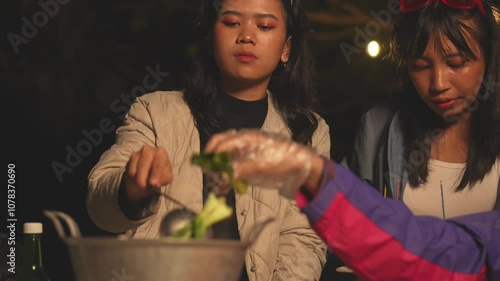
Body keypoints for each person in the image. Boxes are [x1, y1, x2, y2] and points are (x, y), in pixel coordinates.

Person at [86, 0, 330, 280]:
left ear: (286, 48)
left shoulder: (308, 132)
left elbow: (303, 237)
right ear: (211, 35)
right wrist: (131, 187)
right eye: (231, 23)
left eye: (264, 26)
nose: (247, 36)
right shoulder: (155, 112)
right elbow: (99, 206)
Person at [205, 129, 500, 281]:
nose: (439, 82)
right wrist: (312, 172)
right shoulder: (379, 126)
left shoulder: (311, 128)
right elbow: (428, 253)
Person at [345, 0, 500, 218]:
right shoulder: (376, 128)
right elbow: (344, 224)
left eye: (455, 63)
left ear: (490, 56)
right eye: (421, 66)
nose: (438, 84)